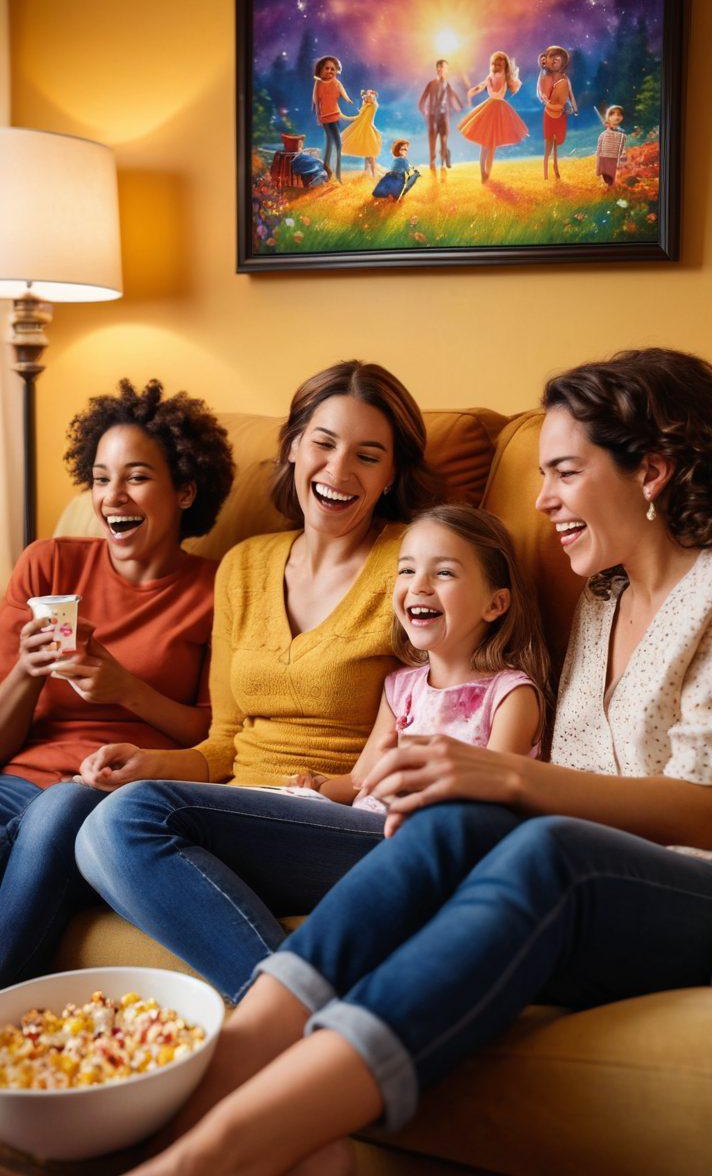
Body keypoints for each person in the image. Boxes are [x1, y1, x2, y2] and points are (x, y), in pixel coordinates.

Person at [119, 348, 712, 1176]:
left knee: (541, 844)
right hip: (583, 871)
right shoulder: (601, 600)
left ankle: (223, 1151)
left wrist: (507, 775)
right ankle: (232, 1067)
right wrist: (472, 790)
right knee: (466, 818)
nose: (543, 500)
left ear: (653, 471)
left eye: (564, 472)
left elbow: (707, 811)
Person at [75, 361, 440, 1005]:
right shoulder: (245, 565)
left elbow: (445, 707)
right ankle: (307, 1010)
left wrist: (347, 789)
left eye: (367, 455)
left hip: (351, 824)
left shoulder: (416, 562)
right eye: (323, 444)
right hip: (244, 814)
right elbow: (226, 742)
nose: (337, 471)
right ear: (294, 446)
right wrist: (147, 764)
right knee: (83, 816)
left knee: (122, 824)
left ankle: (300, 1021)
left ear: (391, 476)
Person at [0, 379, 233, 986]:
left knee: (62, 810)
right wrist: (27, 669)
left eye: (135, 477)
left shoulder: (217, 589)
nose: (111, 497)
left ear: (185, 490)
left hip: (102, 796)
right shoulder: (47, 563)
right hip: (17, 783)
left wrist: (125, 688)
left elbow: (213, 734)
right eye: (101, 479)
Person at [293, 503, 549, 814]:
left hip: (413, 841)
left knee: (214, 817)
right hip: (359, 824)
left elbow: (493, 803)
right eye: (407, 570)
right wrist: (314, 788)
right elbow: (360, 782)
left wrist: (405, 786)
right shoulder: (400, 688)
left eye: (444, 573)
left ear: (496, 604)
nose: (418, 586)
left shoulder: (510, 695)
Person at [458, 51, 528, 183]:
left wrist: (512, 80)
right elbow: (481, 86)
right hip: (489, 108)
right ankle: (482, 172)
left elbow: (515, 84)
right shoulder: (490, 76)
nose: (499, 64)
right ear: (494, 64)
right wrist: (472, 91)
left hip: (500, 109)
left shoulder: (506, 77)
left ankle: (487, 173)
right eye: (497, 62)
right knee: (485, 144)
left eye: (502, 62)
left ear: (505, 64)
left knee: (492, 145)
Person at [537, 45, 577, 181]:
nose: (553, 62)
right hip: (549, 113)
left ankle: (555, 168)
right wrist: (547, 100)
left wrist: (573, 106)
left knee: (557, 142)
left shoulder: (564, 79)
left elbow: (568, 94)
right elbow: (543, 94)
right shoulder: (545, 78)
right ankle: (546, 172)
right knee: (548, 142)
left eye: (557, 60)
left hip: (560, 113)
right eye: (551, 59)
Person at [311, 55, 353, 183]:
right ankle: (328, 172)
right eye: (327, 68)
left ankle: (335, 173)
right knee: (331, 144)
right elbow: (315, 101)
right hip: (325, 118)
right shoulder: (318, 83)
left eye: (332, 69)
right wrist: (318, 116)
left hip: (335, 116)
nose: (329, 71)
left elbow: (342, 91)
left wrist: (347, 99)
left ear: (336, 70)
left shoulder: (336, 82)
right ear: (321, 70)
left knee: (337, 145)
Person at [418, 60, 464, 172]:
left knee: (444, 139)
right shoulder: (431, 83)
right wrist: (424, 111)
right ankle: (432, 162)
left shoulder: (447, 84)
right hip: (433, 116)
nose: (443, 70)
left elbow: (453, 96)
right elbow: (422, 100)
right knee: (433, 139)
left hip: (444, 116)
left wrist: (459, 106)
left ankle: (443, 162)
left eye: (445, 68)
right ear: (437, 69)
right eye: (441, 67)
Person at [340, 89, 383, 178]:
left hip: (368, 130)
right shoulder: (365, 106)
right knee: (367, 153)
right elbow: (358, 118)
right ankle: (367, 173)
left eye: (371, 95)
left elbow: (372, 99)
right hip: (362, 129)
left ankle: (374, 174)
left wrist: (367, 94)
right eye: (368, 95)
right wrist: (344, 117)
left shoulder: (373, 105)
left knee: (371, 154)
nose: (368, 96)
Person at [596, 104, 627, 186]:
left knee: (615, 174)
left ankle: (612, 186)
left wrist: (623, 153)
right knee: (607, 176)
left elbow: (623, 144)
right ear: (608, 117)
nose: (616, 117)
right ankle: (608, 186)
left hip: (616, 157)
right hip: (605, 157)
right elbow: (600, 148)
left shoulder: (622, 132)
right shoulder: (604, 134)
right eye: (613, 114)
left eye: (619, 114)